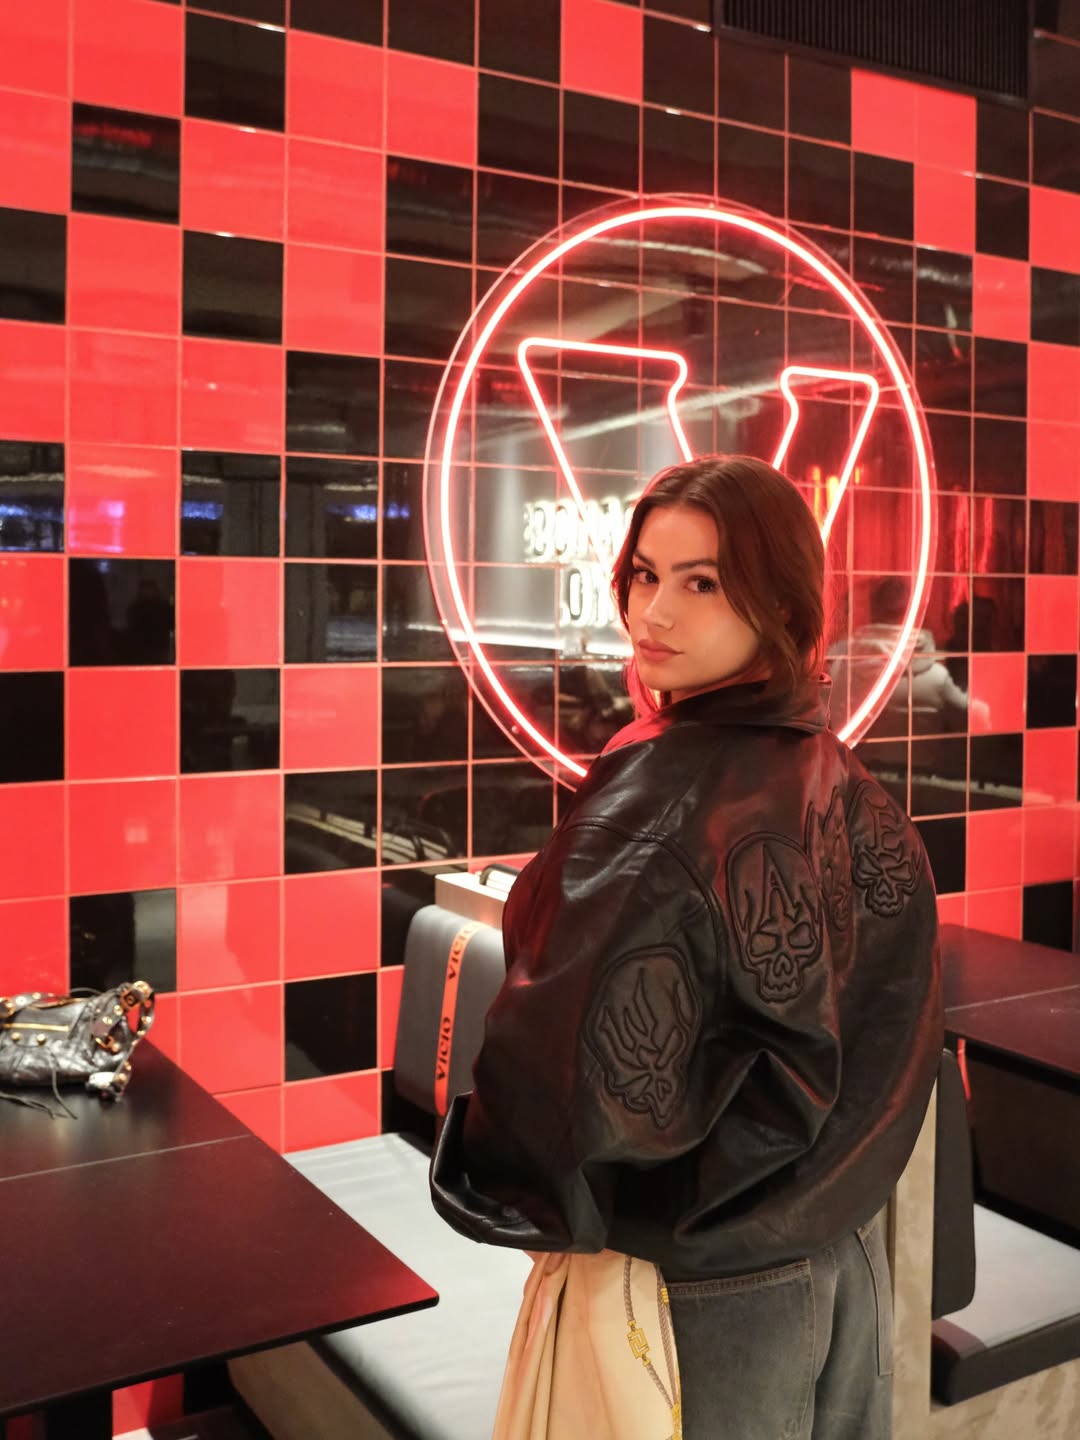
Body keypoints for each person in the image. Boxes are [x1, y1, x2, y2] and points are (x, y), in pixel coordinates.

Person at [431, 455, 943, 1440]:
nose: (653, 612)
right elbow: (896, 1029)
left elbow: (558, 1080)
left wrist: (514, 1184)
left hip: (694, 1292)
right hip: (846, 1259)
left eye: (701, 582)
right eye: (644, 574)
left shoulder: (650, 805)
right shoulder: (849, 786)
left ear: (779, 601)